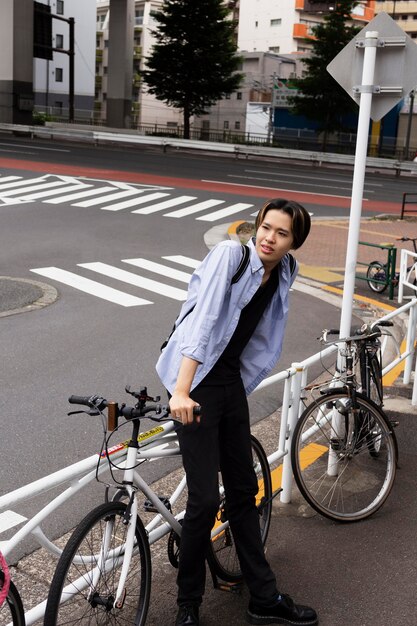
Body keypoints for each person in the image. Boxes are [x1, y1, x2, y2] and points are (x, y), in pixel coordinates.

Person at [156, 198, 318, 626]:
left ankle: (263, 598)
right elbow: (203, 321)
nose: (269, 238)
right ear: (257, 226)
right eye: (266, 227)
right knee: (205, 499)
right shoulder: (231, 255)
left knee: (244, 493)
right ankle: (187, 604)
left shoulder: (284, 270)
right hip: (197, 380)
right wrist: (182, 391)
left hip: (229, 383)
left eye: (282, 233)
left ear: (293, 242)